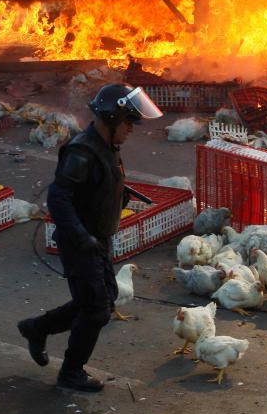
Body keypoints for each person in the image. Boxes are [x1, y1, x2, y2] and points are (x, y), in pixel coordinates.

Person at [17, 83, 163, 392]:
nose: (131, 130)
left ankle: (36, 328)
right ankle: (71, 372)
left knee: (99, 301)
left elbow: (95, 187)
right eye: (128, 123)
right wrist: (82, 238)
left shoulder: (107, 147)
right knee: (96, 309)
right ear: (111, 119)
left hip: (97, 238)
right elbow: (58, 198)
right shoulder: (83, 151)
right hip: (81, 242)